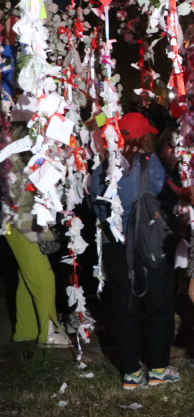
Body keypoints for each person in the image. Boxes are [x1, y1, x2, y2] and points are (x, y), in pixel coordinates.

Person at [90, 112, 180, 390]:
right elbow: (167, 201)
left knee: (124, 309)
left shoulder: (101, 170)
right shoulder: (153, 166)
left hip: (117, 248)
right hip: (151, 245)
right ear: (145, 137)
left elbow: (98, 209)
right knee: (159, 308)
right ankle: (158, 368)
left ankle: (131, 373)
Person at [3, 123, 70, 348]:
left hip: (18, 224)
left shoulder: (14, 158)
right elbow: (19, 198)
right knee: (43, 277)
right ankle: (49, 332)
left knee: (28, 275)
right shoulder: (11, 159)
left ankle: (27, 329)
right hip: (20, 225)